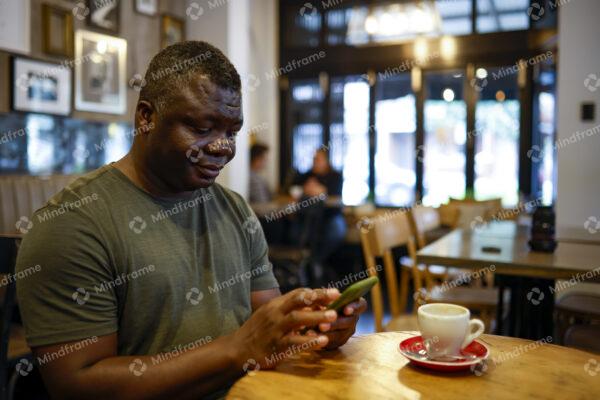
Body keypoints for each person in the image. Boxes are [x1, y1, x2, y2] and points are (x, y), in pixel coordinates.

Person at [15, 41, 366, 399]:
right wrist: (237, 350)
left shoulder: (236, 210)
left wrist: (313, 328)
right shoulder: (74, 224)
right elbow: (78, 385)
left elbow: (267, 326)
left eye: (231, 131)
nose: (222, 147)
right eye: (201, 127)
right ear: (146, 117)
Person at [292, 149, 347, 284]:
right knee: (299, 231)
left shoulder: (335, 176)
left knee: (336, 231)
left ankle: (316, 260)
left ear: (326, 161)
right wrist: (309, 190)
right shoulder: (308, 175)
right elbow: (294, 188)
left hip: (332, 216)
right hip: (310, 218)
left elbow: (335, 194)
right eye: (314, 159)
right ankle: (306, 265)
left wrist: (320, 191)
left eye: (318, 159)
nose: (315, 162)